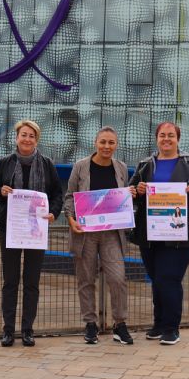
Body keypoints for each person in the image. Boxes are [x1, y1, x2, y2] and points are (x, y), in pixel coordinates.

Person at [130, 121, 189, 345]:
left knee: (169, 278)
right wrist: (136, 191)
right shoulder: (145, 164)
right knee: (157, 280)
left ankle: (171, 327)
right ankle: (158, 324)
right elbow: (130, 193)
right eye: (162, 135)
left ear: (178, 139)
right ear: (156, 138)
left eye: (171, 135)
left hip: (181, 235)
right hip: (150, 234)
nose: (166, 139)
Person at [0, 120, 63, 347]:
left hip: (36, 230)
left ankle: (28, 330)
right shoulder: (5, 163)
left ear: (36, 139)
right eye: (23, 135)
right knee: (10, 281)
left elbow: (57, 195)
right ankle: (8, 330)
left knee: (32, 282)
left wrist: (53, 212)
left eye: (31, 136)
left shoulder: (47, 164)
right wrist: (0, 192)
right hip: (11, 229)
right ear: (16, 137)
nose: (27, 139)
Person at [63, 126, 136, 345]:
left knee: (117, 277)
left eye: (111, 143)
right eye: (103, 142)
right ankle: (90, 324)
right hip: (85, 233)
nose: (106, 146)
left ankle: (119, 324)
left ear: (116, 145)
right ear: (95, 143)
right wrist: (70, 219)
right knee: (86, 279)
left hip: (112, 233)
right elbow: (69, 197)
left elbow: (123, 200)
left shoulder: (121, 168)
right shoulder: (81, 167)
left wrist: (130, 195)